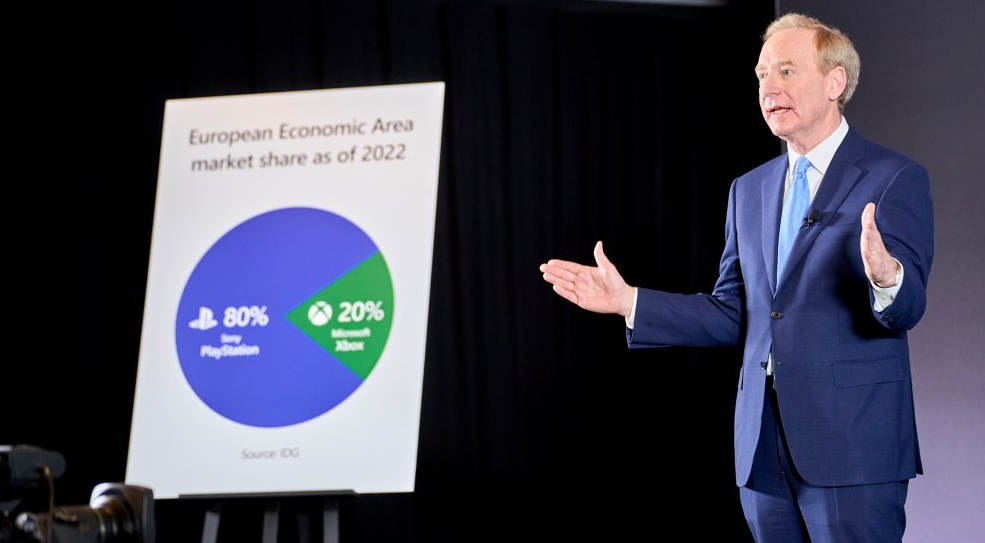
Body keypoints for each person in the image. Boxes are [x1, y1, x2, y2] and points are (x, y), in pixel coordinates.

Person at [539, 13, 933, 543]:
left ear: (834, 82)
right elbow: (734, 313)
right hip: (762, 450)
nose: (769, 87)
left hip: (852, 445)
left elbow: (907, 307)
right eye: (762, 75)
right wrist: (630, 301)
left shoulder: (893, 176)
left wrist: (887, 276)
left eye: (786, 71)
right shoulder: (749, 189)